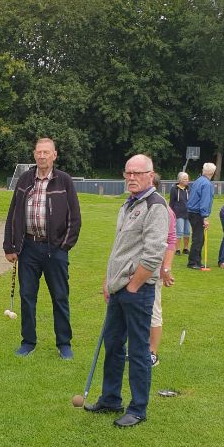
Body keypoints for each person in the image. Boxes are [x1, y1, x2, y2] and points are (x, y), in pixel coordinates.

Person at [84, 154, 168, 427]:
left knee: (139, 349)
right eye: (128, 173)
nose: (131, 178)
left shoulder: (155, 206)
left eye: (137, 173)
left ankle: (138, 408)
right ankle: (110, 399)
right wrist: (108, 280)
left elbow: (154, 253)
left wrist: (133, 286)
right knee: (113, 345)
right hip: (118, 288)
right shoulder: (129, 204)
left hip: (137, 290)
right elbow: (120, 247)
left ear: (150, 175)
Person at [3, 138, 82, 359]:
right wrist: (10, 246)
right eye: (39, 152)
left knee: (60, 297)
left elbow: (74, 218)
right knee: (27, 296)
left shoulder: (64, 181)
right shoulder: (25, 179)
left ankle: (64, 344)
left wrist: (63, 246)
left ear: (54, 155)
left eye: (46, 152)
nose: (42, 156)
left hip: (55, 249)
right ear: (34, 154)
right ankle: (28, 342)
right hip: (28, 248)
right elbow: (13, 214)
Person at [150, 174, 176, 367]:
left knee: (153, 311)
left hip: (152, 269)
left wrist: (165, 268)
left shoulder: (164, 209)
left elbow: (171, 240)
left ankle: (152, 353)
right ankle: (138, 349)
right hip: (130, 268)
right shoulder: (131, 205)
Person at [186, 162, 216, 270]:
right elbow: (205, 201)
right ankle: (192, 262)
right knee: (198, 239)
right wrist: (205, 217)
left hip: (191, 212)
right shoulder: (207, 184)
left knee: (199, 238)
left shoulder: (198, 180)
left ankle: (197, 261)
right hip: (197, 213)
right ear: (212, 173)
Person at [168, 172, 190, 256]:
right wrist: (170, 213)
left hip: (188, 214)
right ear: (180, 180)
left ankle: (186, 248)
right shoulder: (174, 189)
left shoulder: (188, 189)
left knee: (187, 232)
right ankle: (177, 249)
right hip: (178, 214)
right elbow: (171, 202)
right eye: (185, 179)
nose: (187, 180)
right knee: (179, 232)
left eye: (187, 179)